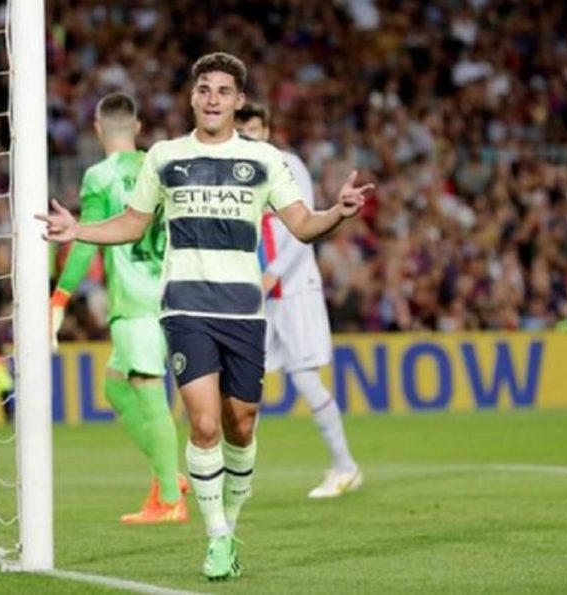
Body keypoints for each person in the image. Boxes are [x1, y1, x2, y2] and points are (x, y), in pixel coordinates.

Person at [37, 52, 373, 581]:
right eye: (204, 89)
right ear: (192, 97)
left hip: (243, 311)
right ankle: (216, 536)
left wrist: (338, 212)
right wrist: (78, 230)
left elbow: (302, 225)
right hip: (184, 308)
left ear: (239, 101)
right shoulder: (165, 156)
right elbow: (132, 223)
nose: (213, 99)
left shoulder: (263, 159)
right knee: (204, 422)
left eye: (223, 91)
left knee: (242, 424)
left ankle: (231, 524)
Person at [50, 92, 188, 524]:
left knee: (149, 392)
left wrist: (59, 299)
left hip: (135, 303)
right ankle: (169, 476)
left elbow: (83, 241)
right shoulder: (160, 167)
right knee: (114, 386)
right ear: (138, 127)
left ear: (97, 129)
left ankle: (170, 499)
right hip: (171, 293)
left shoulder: (100, 176)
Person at [235, 102, 362, 498]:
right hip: (254, 294)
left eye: (254, 129)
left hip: (293, 290)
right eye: (242, 131)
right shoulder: (235, 172)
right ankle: (240, 478)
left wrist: (274, 272)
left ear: (266, 130)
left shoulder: (288, 165)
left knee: (305, 378)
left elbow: (304, 227)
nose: (249, 137)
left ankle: (345, 467)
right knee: (247, 386)